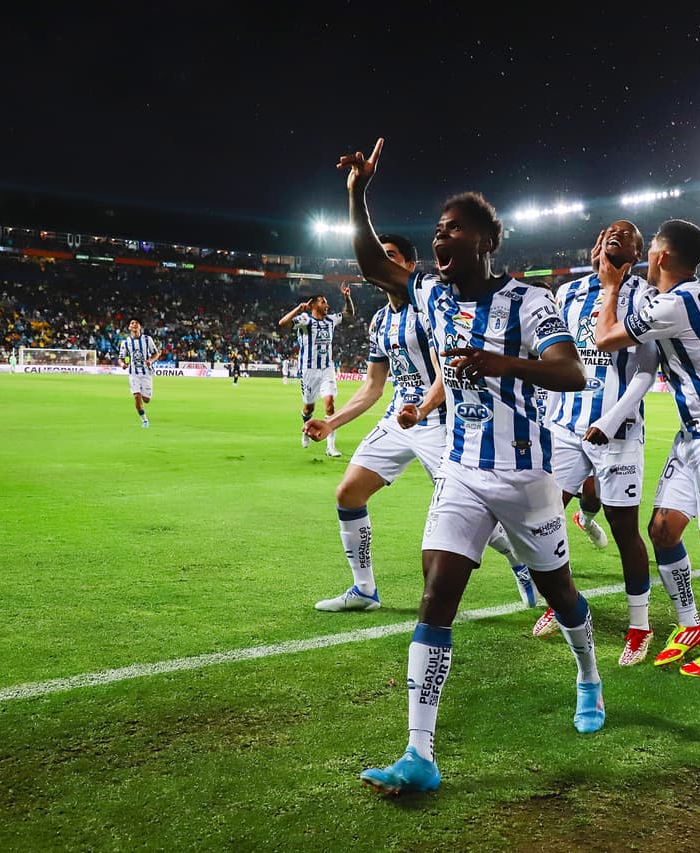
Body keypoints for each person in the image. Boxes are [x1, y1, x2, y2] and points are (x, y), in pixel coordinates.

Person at [340, 138, 602, 796]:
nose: (440, 238)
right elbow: (374, 260)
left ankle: (588, 673)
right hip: (461, 469)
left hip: (526, 475)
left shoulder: (529, 301)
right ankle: (419, 753)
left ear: (486, 239)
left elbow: (573, 369)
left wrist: (500, 362)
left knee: (561, 593)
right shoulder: (430, 294)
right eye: (437, 230)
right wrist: (357, 194)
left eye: (454, 228)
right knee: (436, 593)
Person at [304, 233, 536, 612]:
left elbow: (447, 374)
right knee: (348, 492)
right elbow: (373, 387)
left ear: (409, 267)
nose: (381, 264)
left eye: (390, 256)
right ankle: (364, 590)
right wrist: (332, 425)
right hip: (399, 419)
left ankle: (519, 560)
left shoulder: (429, 313)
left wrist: (423, 410)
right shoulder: (380, 321)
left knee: (474, 516)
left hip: (440, 423)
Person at [593, 219, 700, 678]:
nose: (646, 259)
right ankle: (693, 625)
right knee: (663, 530)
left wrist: (609, 287)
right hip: (693, 435)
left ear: (662, 257)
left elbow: (605, 337)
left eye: (651, 253)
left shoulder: (677, 304)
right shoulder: (687, 296)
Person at [532, 221, 660, 667]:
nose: (612, 236)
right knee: (547, 520)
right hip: (565, 429)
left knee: (626, 532)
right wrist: (545, 412)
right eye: (606, 234)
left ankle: (639, 627)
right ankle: (563, 603)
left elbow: (646, 371)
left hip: (617, 435)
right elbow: (554, 356)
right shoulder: (566, 294)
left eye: (622, 236)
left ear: (634, 254)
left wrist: (610, 420)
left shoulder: (644, 297)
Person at [279, 284, 356, 456]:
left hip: (327, 369)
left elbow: (349, 314)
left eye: (326, 303)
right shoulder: (306, 320)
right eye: (323, 302)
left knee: (330, 404)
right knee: (309, 408)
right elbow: (282, 323)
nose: (327, 305)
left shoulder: (331, 320)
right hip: (309, 371)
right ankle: (306, 430)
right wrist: (298, 309)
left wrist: (347, 297)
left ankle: (330, 447)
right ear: (313, 305)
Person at [118, 318, 159, 428]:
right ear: (129, 327)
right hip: (133, 373)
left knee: (146, 400)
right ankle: (144, 420)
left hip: (146, 373)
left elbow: (156, 354)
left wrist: (150, 360)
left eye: (137, 323)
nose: (134, 325)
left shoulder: (147, 339)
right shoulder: (125, 342)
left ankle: (143, 400)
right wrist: (123, 365)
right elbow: (121, 358)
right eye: (132, 323)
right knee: (137, 396)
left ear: (140, 326)